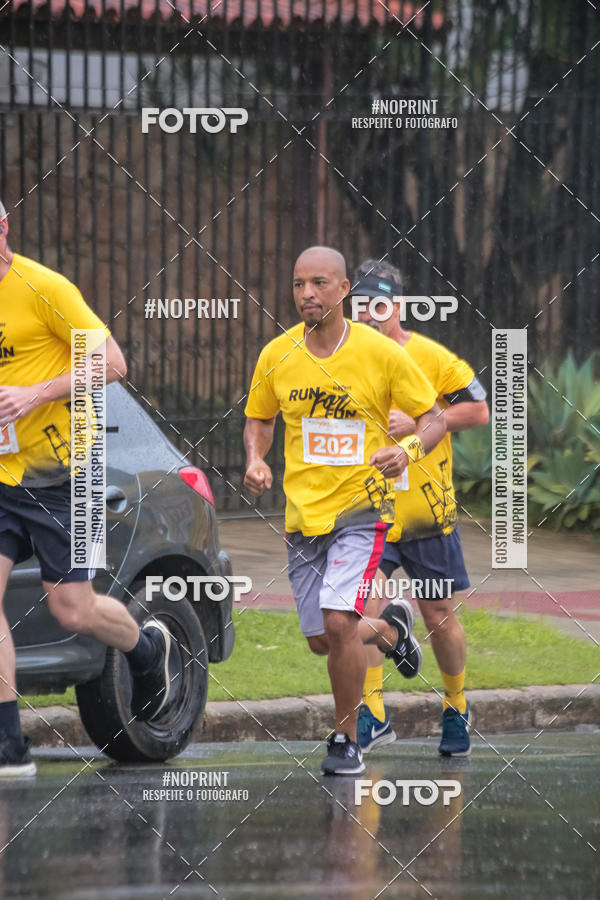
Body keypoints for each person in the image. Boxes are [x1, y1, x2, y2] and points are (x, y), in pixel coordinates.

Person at [243, 246, 447, 775]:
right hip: (303, 516)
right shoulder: (277, 354)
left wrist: (406, 451)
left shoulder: (380, 354)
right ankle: (391, 630)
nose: (306, 293)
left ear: (342, 290)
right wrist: (256, 459)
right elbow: (260, 417)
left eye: (318, 283)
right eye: (298, 284)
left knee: (338, 621)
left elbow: (433, 418)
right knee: (321, 639)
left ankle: (347, 739)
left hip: (362, 509)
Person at [0, 200, 177, 777]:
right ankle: (10, 744)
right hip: (2, 478)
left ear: (3, 229)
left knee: (72, 609)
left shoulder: (43, 288)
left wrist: (33, 394)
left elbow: (112, 364)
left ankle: (146, 649)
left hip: (66, 476)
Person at [350, 259, 489, 757]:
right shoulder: (344, 357)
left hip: (426, 513)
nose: (369, 315)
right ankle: (373, 711)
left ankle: (455, 705)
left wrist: (421, 420)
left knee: (438, 615)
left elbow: (478, 409)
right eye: (360, 305)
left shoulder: (430, 357)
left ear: (399, 307)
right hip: (367, 511)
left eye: (378, 305)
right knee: (361, 609)